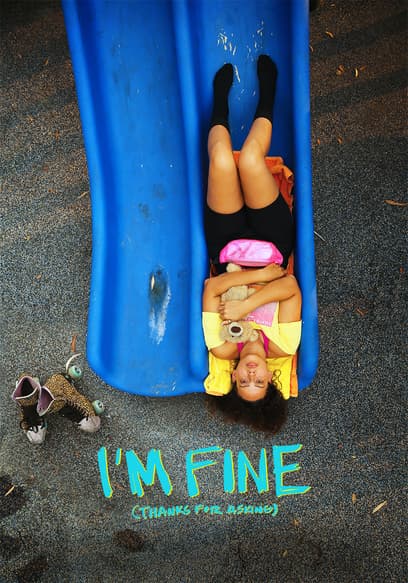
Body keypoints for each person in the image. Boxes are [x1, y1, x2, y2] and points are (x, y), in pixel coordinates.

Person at [202, 55, 302, 434]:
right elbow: (290, 287)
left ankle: (219, 104)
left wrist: (256, 283)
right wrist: (246, 304)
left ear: (234, 377)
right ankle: (268, 96)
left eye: (243, 382)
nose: (251, 374)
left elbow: (211, 287)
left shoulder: (222, 347)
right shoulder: (283, 344)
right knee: (250, 161)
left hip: (227, 248)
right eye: (259, 382)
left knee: (222, 161)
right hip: (272, 244)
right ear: (272, 380)